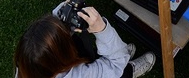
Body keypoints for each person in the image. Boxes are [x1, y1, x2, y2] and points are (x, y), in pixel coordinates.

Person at [14, 6, 155, 78]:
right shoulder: (81, 75)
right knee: (117, 69)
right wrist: (102, 30)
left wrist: (64, 10)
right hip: (113, 69)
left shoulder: (27, 65)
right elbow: (116, 63)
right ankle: (129, 71)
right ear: (62, 61)